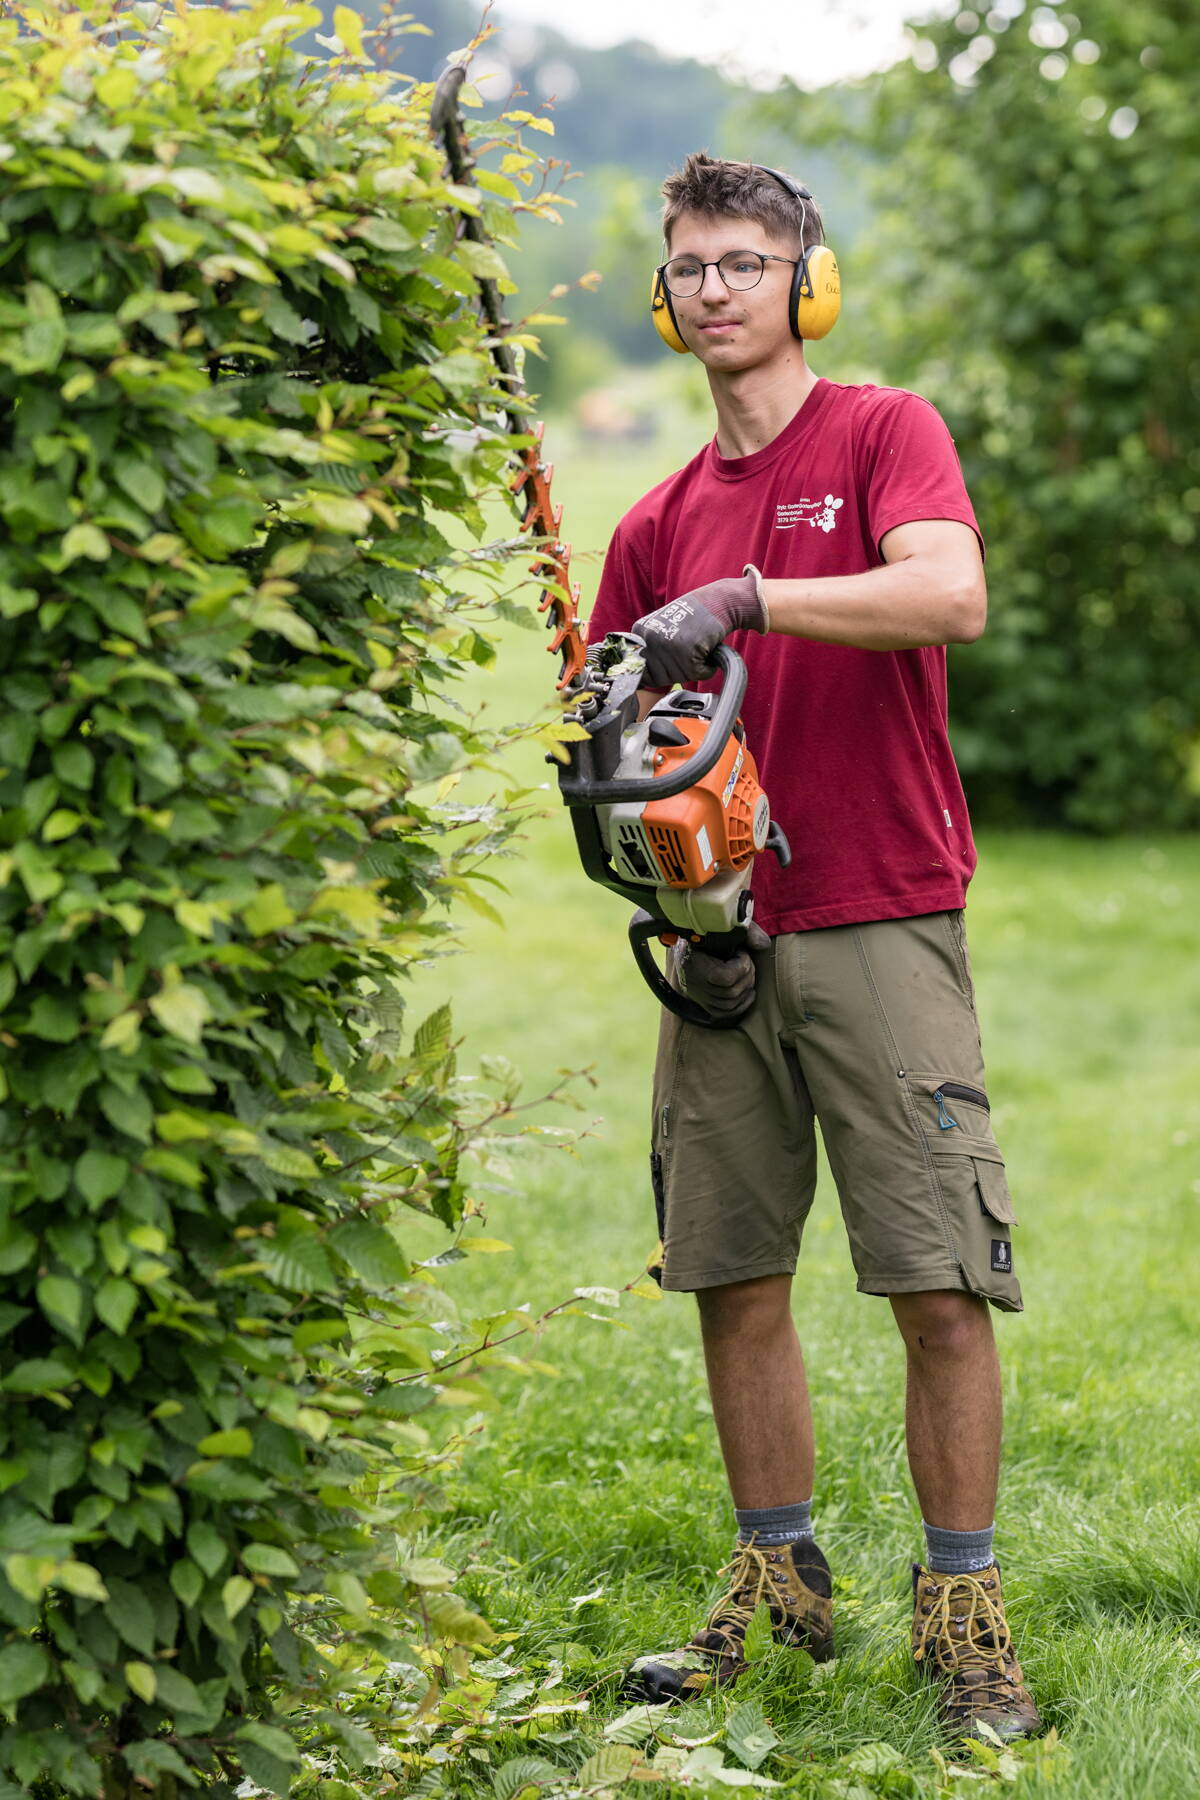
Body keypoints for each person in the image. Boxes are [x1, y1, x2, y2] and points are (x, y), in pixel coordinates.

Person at [584, 154, 1041, 1742]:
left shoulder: (882, 432)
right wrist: (668, 891)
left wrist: (755, 598)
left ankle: (966, 1620)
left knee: (935, 1280)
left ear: (804, 280)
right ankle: (780, 1590)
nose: (715, 289)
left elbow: (951, 596)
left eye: (743, 262)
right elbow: (621, 768)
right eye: (690, 265)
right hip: (720, 949)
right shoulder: (648, 521)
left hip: (882, 913)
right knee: (732, 1273)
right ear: (664, 294)